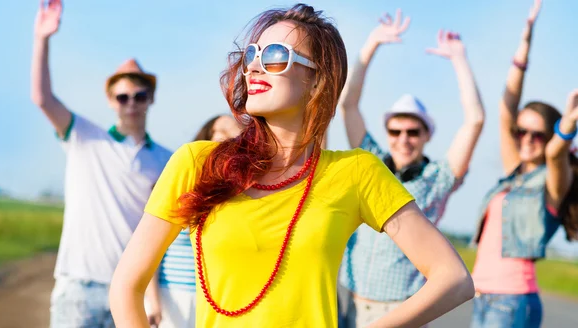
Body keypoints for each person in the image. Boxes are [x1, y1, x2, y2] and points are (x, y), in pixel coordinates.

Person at [109, 4, 474, 328]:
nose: (254, 66)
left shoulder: (356, 172)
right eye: (253, 54)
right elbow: (127, 286)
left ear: (316, 82)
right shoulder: (197, 162)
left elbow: (453, 278)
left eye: (275, 56)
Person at [337, 9, 485, 328]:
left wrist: (459, 59)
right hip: (349, 301)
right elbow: (348, 104)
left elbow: (475, 121)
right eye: (395, 131)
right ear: (386, 133)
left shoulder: (438, 179)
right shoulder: (370, 162)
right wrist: (372, 44)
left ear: (427, 135)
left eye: (413, 132)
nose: (404, 139)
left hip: (399, 311)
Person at [31, 1, 172, 326]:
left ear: (151, 98)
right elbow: (42, 98)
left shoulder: (166, 160)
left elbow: (158, 233)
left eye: (139, 96)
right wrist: (42, 39)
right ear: (110, 100)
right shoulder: (84, 136)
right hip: (80, 288)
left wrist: (152, 295)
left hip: (130, 290)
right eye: (123, 97)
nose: (131, 104)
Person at [469, 1, 578, 327]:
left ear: (550, 136)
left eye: (537, 134)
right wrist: (524, 44)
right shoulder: (513, 172)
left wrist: (568, 127)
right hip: (481, 295)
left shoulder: (554, 182)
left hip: (513, 301)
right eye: (521, 131)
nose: (526, 139)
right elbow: (506, 109)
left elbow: (557, 153)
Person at [145, 115, 243, 328]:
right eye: (221, 132)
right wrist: (153, 303)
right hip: (171, 299)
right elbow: (150, 255)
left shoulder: (241, 197)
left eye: (235, 134)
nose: (227, 138)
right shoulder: (178, 187)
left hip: (216, 303)